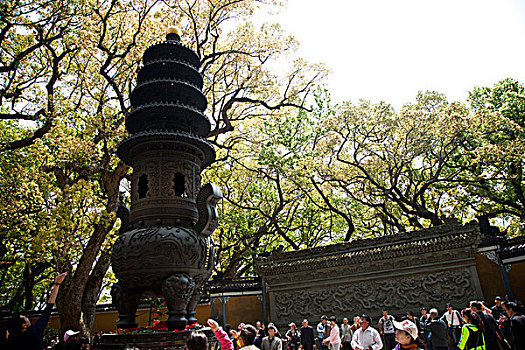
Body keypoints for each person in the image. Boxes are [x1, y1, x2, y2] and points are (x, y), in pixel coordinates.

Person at [4, 272, 67, 350]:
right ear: (24, 326)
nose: (27, 318)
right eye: (25, 318)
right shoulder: (35, 331)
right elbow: (48, 308)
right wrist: (57, 284)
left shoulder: (11, 339)